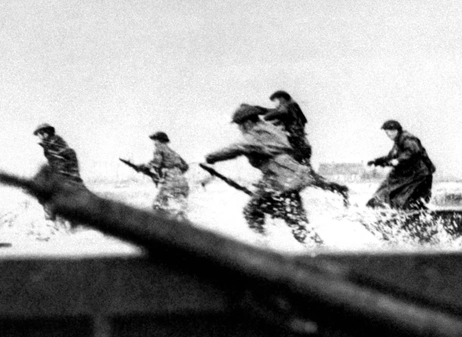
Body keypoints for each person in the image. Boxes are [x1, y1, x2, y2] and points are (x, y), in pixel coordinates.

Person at [205, 104, 322, 245]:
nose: (240, 129)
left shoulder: (255, 133)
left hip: (279, 177)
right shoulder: (270, 128)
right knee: (296, 221)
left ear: (247, 122)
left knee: (251, 211)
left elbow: (239, 147)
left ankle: (262, 243)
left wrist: (212, 157)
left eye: (240, 125)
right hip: (289, 175)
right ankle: (319, 249)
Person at [261, 90, 349, 206]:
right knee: (309, 176)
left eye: (276, 101)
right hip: (301, 146)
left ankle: (280, 196)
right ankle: (339, 189)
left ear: (282, 98)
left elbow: (277, 113)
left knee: (292, 171)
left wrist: (266, 115)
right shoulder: (293, 108)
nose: (276, 104)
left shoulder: (289, 106)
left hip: (298, 147)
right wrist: (261, 110)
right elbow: (275, 112)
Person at [366, 120, 435, 210]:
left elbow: (412, 151)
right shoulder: (398, 143)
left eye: (390, 132)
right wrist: (377, 161)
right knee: (393, 196)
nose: (388, 134)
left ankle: (421, 216)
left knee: (408, 200)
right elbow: (390, 157)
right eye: (387, 132)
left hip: (419, 177)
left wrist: (398, 160)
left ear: (396, 130)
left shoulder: (407, 139)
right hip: (410, 176)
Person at [33, 123, 85, 221]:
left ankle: (53, 222)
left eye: (41, 133)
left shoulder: (55, 144)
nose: (40, 137)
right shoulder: (52, 145)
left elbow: (66, 160)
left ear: (47, 132)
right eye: (39, 134)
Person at [137, 131, 190, 220]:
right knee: (180, 208)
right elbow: (186, 166)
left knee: (157, 205)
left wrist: (142, 167)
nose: (154, 143)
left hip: (171, 181)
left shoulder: (159, 148)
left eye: (155, 140)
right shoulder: (173, 152)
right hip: (183, 182)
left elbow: (156, 163)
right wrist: (177, 172)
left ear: (160, 140)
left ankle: (163, 227)